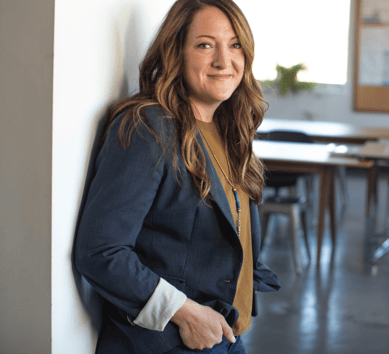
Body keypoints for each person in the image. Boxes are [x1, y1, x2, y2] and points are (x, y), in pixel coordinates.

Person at [74, 1, 280, 353]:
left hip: (225, 334)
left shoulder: (227, 128)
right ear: (176, 52)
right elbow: (100, 250)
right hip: (173, 340)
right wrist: (185, 313)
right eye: (205, 44)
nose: (223, 60)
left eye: (234, 45)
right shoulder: (150, 127)